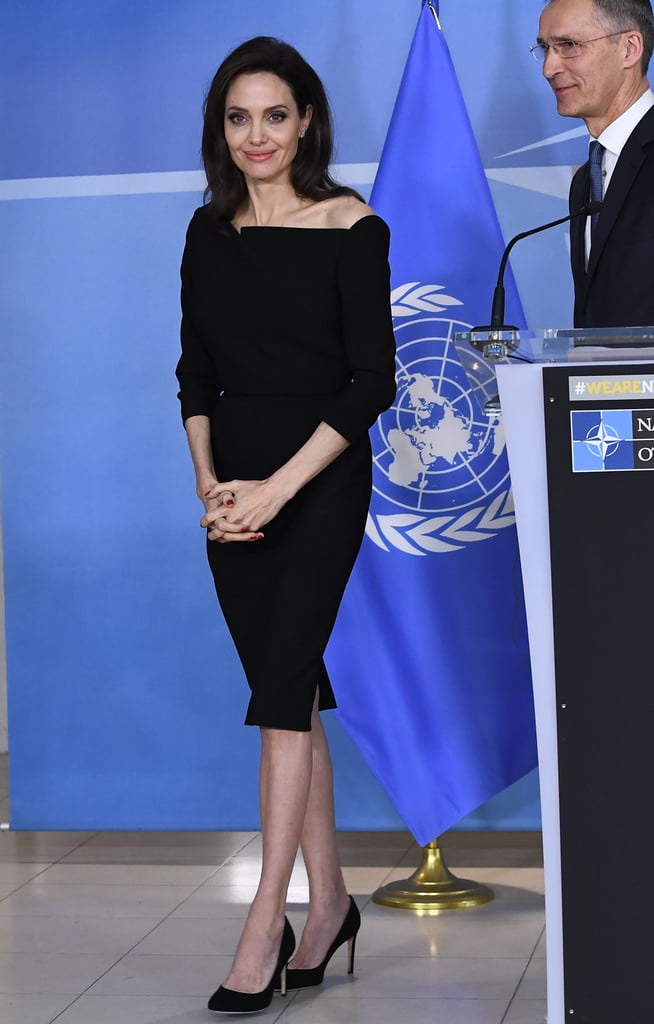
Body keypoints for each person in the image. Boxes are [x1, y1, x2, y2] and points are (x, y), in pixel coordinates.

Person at [175, 36, 396, 1015]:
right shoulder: (206, 228)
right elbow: (195, 376)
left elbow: (371, 383)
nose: (256, 134)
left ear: (306, 119)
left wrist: (276, 489)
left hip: (321, 480)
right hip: (235, 495)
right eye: (238, 116)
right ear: (222, 130)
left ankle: (265, 920)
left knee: (278, 700)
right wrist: (215, 484)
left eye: (274, 114)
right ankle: (335, 902)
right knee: (291, 695)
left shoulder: (353, 225)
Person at [535, 0, 654, 327]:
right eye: (545, 48)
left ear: (629, 49)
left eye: (569, 45)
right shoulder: (587, 180)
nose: (548, 68)